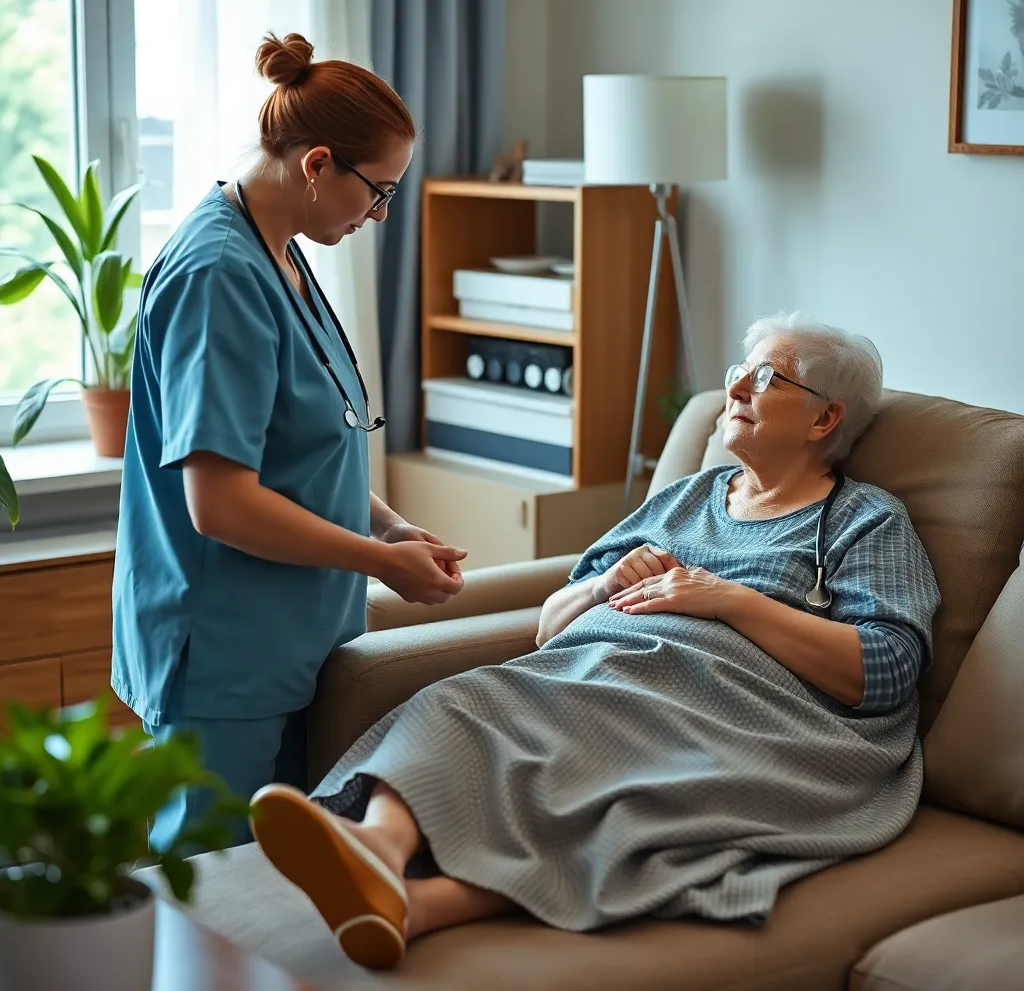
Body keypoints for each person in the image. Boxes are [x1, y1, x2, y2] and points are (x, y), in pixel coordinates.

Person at [245, 313, 941, 970]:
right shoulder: (689, 497)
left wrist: (726, 598)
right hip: (602, 676)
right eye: (740, 369)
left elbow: (885, 669)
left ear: (825, 418)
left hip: (746, 715)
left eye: (767, 378)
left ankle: (411, 898)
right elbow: (552, 624)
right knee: (467, 700)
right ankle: (383, 855)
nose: (734, 387)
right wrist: (605, 583)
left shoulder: (863, 519)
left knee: (624, 791)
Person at [112, 32, 467, 851]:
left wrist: (387, 526)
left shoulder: (283, 256)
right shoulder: (219, 275)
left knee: (283, 891)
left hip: (291, 638)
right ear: (316, 165)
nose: (378, 216)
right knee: (211, 898)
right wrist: (380, 564)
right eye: (377, 193)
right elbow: (221, 503)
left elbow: (312, 438)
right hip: (226, 652)